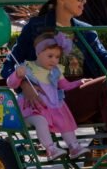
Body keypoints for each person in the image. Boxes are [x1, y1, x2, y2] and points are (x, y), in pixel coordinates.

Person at [1, 0, 107, 146]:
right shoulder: (36, 27)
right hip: (53, 99)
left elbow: (106, 63)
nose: (84, 1)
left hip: (80, 90)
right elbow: (10, 65)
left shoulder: (85, 31)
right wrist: (25, 85)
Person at [7, 32, 88, 160]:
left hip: (52, 106)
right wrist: (17, 75)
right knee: (41, 121)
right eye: (50, 56)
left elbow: (65, 85)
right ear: (38, 53)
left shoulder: (56, 71)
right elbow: (11, 84)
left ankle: (74, 146)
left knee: (64, 120)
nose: (54, 60)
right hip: (32, 108)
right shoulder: (27, 67)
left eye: (57, 57)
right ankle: (50, 149)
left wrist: (79, 82)